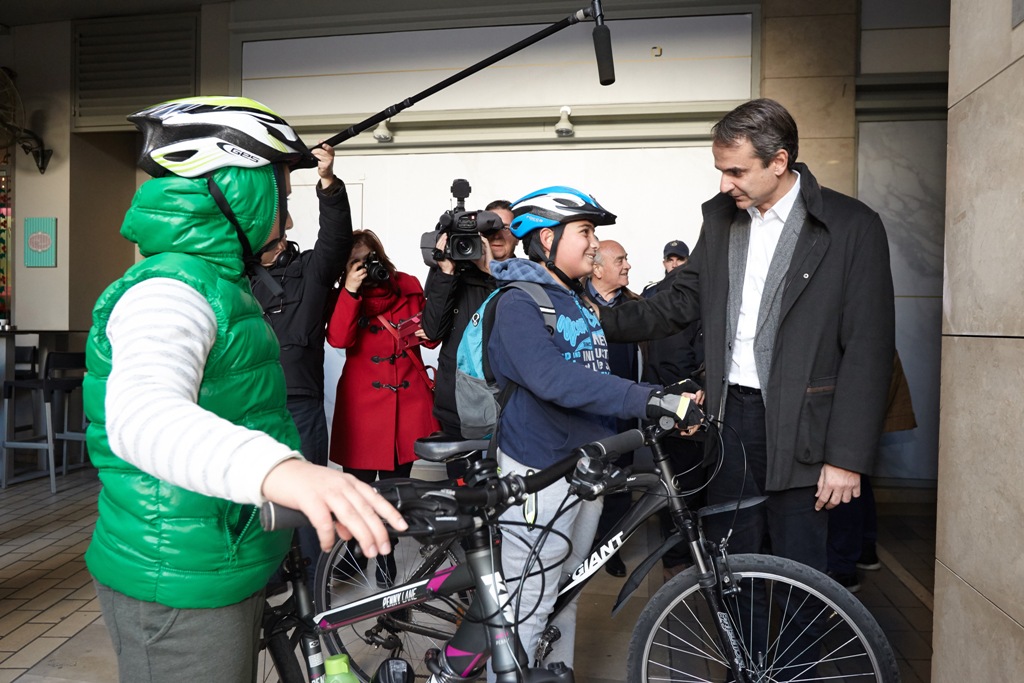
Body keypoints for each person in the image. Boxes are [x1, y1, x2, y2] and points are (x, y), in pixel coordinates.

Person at [83, 96, 406, 683]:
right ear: (235, 192)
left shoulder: (216, 280)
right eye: (276, 198)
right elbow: (141, 415)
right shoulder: (170, 290)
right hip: (181, 574)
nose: (282, 220)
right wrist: (285, 470)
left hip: (225, 549)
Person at [599, 97, 896, 583]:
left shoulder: (851, 227)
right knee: (731, 564)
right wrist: (592, 321)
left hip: (806, 429)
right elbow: (678, 302)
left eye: (736, 171)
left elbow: (869, 349)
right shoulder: (721, 220)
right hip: (730, 420)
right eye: (720, 170)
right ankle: (746, 661)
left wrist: (846, 458)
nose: (724, 184)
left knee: (802, 573)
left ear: (779, 162)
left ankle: (796, 665)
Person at [483, 186, 699, 679]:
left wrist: (661, 393)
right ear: (546, 239)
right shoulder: (520, 302)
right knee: (530, 601)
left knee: (566, 591)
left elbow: (597, 377)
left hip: (583, 467)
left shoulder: (577, 302)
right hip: (539, 468)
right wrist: (645, 398)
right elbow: (552, 379)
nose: (595, 243)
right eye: (585, 232)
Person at [250, 142, 352, 590]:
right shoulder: (239, 276)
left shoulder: (310, 269)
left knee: (310, 492)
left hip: (302, 402)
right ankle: (269, 575)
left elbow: (336, 239)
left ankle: (316, 579)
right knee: (259, 488)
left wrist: (327, 182)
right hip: (254, 402)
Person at [326, 229, 439, 587]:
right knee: (359, 492)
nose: (366, 267)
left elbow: (433, 336)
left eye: (370, 259)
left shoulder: (407, 285)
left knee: (395, 492)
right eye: (356, 263)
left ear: (381, 256)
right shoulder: (343, 294)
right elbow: (339, 339)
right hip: (363, 410)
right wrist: (350, 290)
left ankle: (387, 564)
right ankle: (358, 556)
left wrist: (425, 328)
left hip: (404, 405)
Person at [422, 200, 518, 443]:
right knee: (460, 481)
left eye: (505, 227)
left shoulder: (527, 276)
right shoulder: (453, 273)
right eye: (488, 228)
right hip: (458, 408)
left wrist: (491, 271)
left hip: (512, 405)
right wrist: (446, 273)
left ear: (517, 236)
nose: (496, 234)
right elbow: (432, 331)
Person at [640, 239, 706, 581]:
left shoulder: (658, 295)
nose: (676, 263)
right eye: (672, 258)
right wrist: (693, 394)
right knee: (684, 484)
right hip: (684, 407)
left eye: (682, 258)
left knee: (678, 484)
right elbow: (673, 357)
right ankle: (679, 557)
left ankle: (680, 555)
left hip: (671, 403)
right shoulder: (678, 298)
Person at [827, 351, 917, 592]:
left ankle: (843, 568)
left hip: (856, 383)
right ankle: (864, 550)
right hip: (871, 377)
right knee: (854, 473)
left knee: (840, 476)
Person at [583, 239, 640, 578]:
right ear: (598, 268)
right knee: (586, 482)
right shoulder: (574, 303)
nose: (627, 265)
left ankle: (609, 548)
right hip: (587, 413)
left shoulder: (636, 306)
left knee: (620, 483)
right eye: (620, 259)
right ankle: (582, 548)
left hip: (624, 411)